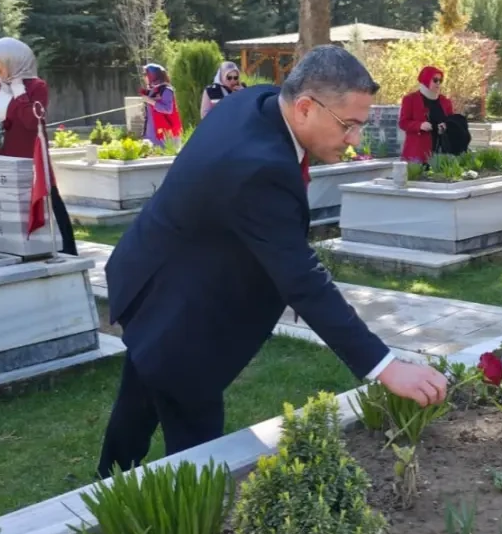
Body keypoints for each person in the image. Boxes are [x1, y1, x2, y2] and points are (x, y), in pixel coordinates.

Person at [97, 45, 449, 477]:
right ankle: (182, 529)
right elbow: (302, 279)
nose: (356, 139)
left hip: (154, 272)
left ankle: (106, 481)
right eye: (349, 125)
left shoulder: (259, 101)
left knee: (140, 387)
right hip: (182, 309)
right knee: (195, 442)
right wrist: (386, 367)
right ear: (305, 107)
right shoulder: (258, 168)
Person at [0, 37, 78, 255]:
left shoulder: (36, 87)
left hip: (29, 155)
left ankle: (66, 249)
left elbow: (32, 122)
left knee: (47, 197)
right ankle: (16, 248)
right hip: (1, 155)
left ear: (12, 59)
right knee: (7, 203)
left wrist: (20, 92)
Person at [399, 65, 454, 165]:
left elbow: (451, 121)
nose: (438, 83)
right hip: (417, 152)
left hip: (440, 152)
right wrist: (419, 125)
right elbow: (403, 123)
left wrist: (446, 126)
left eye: (440, 81)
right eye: (435, 80)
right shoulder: (410, 99)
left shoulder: (445, 101)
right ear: (426, 80)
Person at [140, 64, 182, 148]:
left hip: (166, 132)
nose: (144, 77)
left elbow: (168, 109)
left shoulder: (166, 90)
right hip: (152, 131)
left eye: (146, 74)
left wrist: (151, 101)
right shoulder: (152, 90)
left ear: (154, 75)